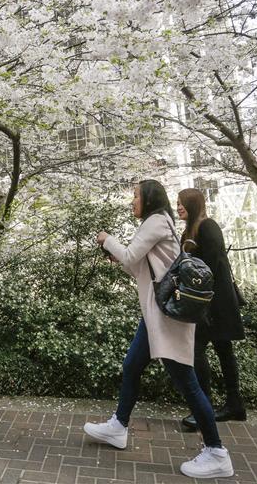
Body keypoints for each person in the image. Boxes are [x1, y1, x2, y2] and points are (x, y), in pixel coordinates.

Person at [86, 180, 234, 479]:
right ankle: (118, 427)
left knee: (187, 382)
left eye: (136, 196)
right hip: (155, 312)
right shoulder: (161, 221)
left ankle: (217, 453)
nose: (132, 201)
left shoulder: (155, 221)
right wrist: (120, 255)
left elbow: (129, 256)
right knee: (131, 365)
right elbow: (138, 265)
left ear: (150, 199)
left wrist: (105, 239)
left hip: (166, 315)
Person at [176, 189, 246, 432]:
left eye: (182, 203)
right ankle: (234, 403)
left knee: (198, 349)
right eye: (177, 203)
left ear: (193, 204)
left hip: (214, 302)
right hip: (206, 302)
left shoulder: (208, 227)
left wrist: (206, 305)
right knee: (223, 349)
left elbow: (214, 266)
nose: (179, 207)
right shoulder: (190, 230)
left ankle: (203, 407)